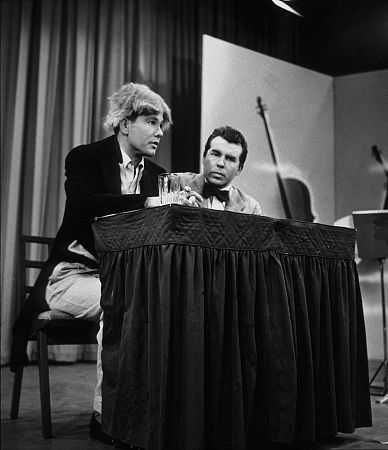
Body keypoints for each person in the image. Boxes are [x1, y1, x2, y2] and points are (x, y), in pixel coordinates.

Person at [10, 82, 172, 448]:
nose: (160, 131)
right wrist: (145, 203)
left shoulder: (156, 175)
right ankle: (105, 417)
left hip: (118, 279)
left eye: (161, 124)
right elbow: (84, 202)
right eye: (151, 121)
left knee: (156, 304)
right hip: (70, 276)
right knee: (124, 304)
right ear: (124, 123)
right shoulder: (85, 157)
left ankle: (143, 413)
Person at [178, 126, 262, 215]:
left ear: (239, 169)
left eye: (230, 159)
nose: (221, 163)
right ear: (204, 157)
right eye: (215, 154)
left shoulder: (251, 208)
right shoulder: (176, 183)